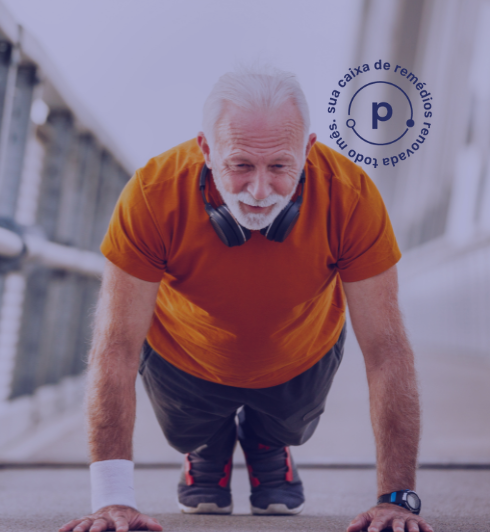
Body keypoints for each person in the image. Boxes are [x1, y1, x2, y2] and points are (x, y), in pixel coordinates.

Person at [59, 66, 434, 532]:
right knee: (188, 429)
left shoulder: (351, 196)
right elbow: (114, 346)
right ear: (205, 151)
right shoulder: (152, 196)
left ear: (308, 150)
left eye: (280, 166)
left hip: (301, 353)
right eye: (240, 165)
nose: (259, 192)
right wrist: (111, 500)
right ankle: (207, 442)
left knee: (284, 424)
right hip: (184, 357)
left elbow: (387, 350)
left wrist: (397, 500)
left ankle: (268, 440)